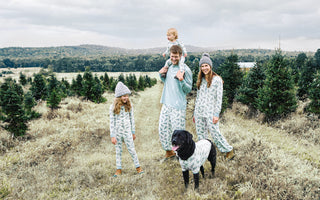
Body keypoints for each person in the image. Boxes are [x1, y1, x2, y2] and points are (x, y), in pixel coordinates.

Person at [193, 53, 235, 160]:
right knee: (201, 135)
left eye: (206, 65)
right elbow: (198, 98)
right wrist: (194, 113)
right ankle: (204, 154)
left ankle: (228, 150)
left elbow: (219, 99)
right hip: (199, 112)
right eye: (202, 66)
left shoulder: (217, 80)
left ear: (210, 66)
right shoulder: (200, 80)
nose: (204, 68)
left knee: (215, 133)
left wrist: (216, 114)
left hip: (210, 112)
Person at [158, 45, 193, 159]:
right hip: (166, 103)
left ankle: (182, 156)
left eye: (176, 57)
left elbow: (188, 89)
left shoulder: (185, 70)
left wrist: (181, 80)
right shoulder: (168, 67)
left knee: (179, 135)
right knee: (163, 130)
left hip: (178, 106)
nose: (173, 59)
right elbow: (166, 81)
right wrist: (161, 74)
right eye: (172, 56)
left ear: (181, 56)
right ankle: (169, 153)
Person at [109, 82, 144, 177]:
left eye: (127, 96)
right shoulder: (113, 107)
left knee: (132, 149)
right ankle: (118, 169)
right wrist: (113, 135)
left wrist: (133, 132)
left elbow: (132, 119)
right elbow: (112, 122)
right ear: (119, 96)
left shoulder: (129, 106)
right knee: (118, 151)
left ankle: (138, 167)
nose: (126, 98)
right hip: (118, 133)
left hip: (127, 132)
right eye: (124, 96)